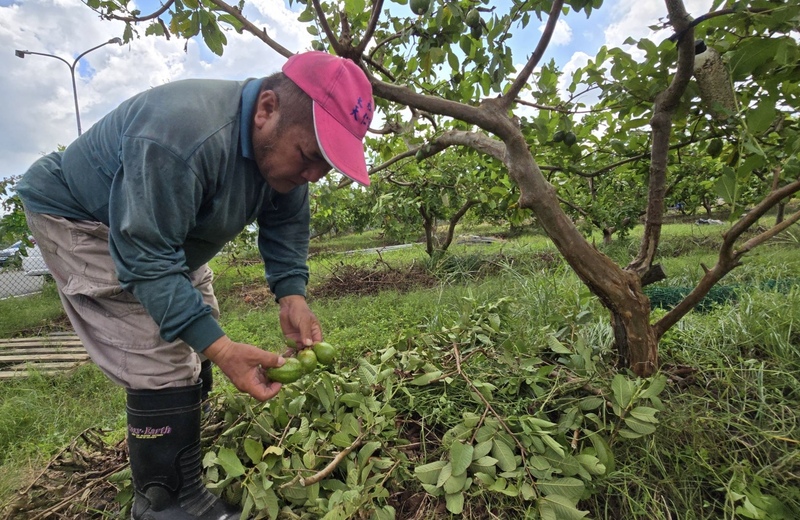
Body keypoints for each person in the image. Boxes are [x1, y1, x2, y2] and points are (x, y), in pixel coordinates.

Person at [15, 51, 373, 520]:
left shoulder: (283, 153)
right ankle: (165, 500)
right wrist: (221, 351)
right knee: (160, 343)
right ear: (266, 109)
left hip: (163, 231)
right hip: (88, 219)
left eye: (324, 166)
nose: (312, 175)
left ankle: (178, 430)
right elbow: (144, 257)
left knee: (199, 327)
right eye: (308, 157)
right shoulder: (181, 134)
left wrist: (292, 294)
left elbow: (286, 225)